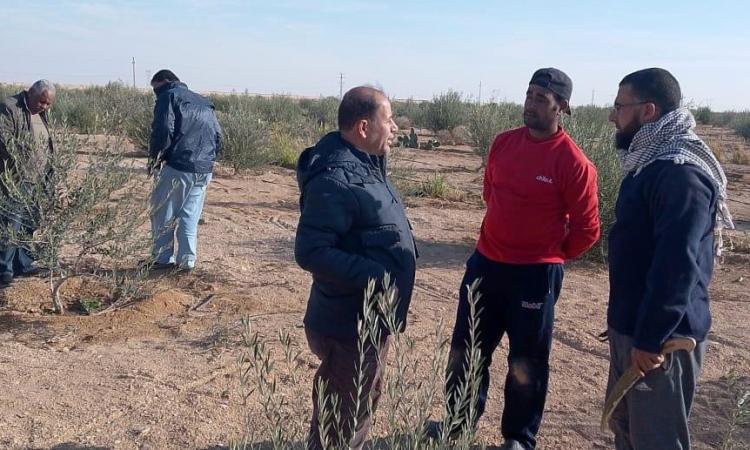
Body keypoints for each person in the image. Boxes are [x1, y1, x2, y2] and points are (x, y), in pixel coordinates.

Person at [440, 68, 600, 450]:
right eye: (529, 95)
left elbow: (588, 229)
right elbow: (490, 193)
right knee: (467, 348)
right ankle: (457, 426)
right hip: (485, 264)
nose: (530, 103)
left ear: (561, 107)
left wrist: (550, 254)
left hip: (534, 275)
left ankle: (518, 438)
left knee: (527, 360)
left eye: (541, 98)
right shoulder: (503, 143)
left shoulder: (574, 163)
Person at [605, 68, 732, 450]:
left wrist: (651, 337)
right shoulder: (649, 164)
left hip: (661, 342)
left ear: (648, 111)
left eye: (619, 106)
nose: (612, 116)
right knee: (627, 429)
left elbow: (677, 264)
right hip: (635, 328)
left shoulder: (681, 175)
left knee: (656, 440)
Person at [294, 86, 418, 450]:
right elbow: (311, 251)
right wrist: (376, 276)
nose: (394, 128)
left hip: (370, 318)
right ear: (363, 127)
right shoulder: (336, 177)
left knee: (358, 406)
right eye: (388, 120)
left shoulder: (365, 164)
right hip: (350, 323)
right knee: (341, 422)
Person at [148, 69, 222, 272]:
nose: (156, 94)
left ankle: (162, 259)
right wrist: (208, 159)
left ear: (164, 81)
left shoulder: (168, 96)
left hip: (178, 165)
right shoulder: (204, 102)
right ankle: (186, 262)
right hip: (203, 168)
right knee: (189, 215)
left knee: (163, 212)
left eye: (155, 89)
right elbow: (218, 135)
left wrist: (155, 159)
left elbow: (163, 130)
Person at [0, 80, 56, 286]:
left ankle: (21, 263)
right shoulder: (10, 107)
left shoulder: (41, 113)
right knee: (11, 223)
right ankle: (4, 269)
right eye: (42, 101)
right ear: (30, 92)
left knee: (30, 221)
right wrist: (21, 164)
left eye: (48, 104)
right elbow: (4, 141)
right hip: (15, 178)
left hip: (38, 179)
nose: (44, 106)